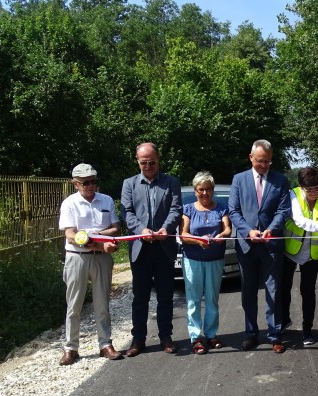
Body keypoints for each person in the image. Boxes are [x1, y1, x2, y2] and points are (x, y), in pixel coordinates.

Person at [228, 139, 291, 354]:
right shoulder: (239, 180)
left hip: (271, 245)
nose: (263, 165)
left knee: (273, 291)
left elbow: (283, 210)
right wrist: (248, 231)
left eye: (267, 161)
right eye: (259, 161)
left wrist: (271, 229)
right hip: (246, 246)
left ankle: (275, 334)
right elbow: (234, 211)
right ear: (251, 158)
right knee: (248, 292)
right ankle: (250, 334)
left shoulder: (280, 180)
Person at [120, 142, 182, 357]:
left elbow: (176, 209)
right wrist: (141, 229)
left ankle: (166, 336)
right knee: (140, 297)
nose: (148, 166)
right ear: (137, 161)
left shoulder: (171, 182)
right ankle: (138, 339)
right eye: (143, 162)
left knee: (165, 295)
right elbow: (126, 212)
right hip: (140, 247)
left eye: (152, 162)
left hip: (164, 247)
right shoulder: (129, 184)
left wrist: (166, 228)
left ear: (159, 160)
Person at [58, 164, 122, 365]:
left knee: (102, 302)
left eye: (93, 181)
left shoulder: (106, 200)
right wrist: (97, 242)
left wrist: (96, 236)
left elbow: (116, 228)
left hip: (102, 258)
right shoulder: (70, 203)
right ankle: (71, 347)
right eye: (86, 183)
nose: (90, 186)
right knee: (74, 304)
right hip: (77, 257)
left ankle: (105, 344)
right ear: (75, 183)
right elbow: (70, 234)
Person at [280, 167, 318, 345]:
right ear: (301, 186)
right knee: (283, 288)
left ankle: (307, 330)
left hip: (312, 254)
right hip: (290, 251)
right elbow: (298, 220)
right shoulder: (293, 195)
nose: (313, 192)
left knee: (308, 291)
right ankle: (284, 319)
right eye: (309, 189)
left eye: (316, 188)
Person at [180, 171, 232, 355]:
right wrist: (198, 240)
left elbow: (227, 229)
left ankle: (211, 334)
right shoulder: (187, 209)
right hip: (193, 260)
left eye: (208, 189)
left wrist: (221, 236)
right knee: (193, 300)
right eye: (201, 190)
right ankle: (195, 337)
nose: (204, 193)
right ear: (195, 191)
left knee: (212, 299)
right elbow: (183, 234)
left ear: (213, 190)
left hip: (215, 260)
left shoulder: (221, 208)